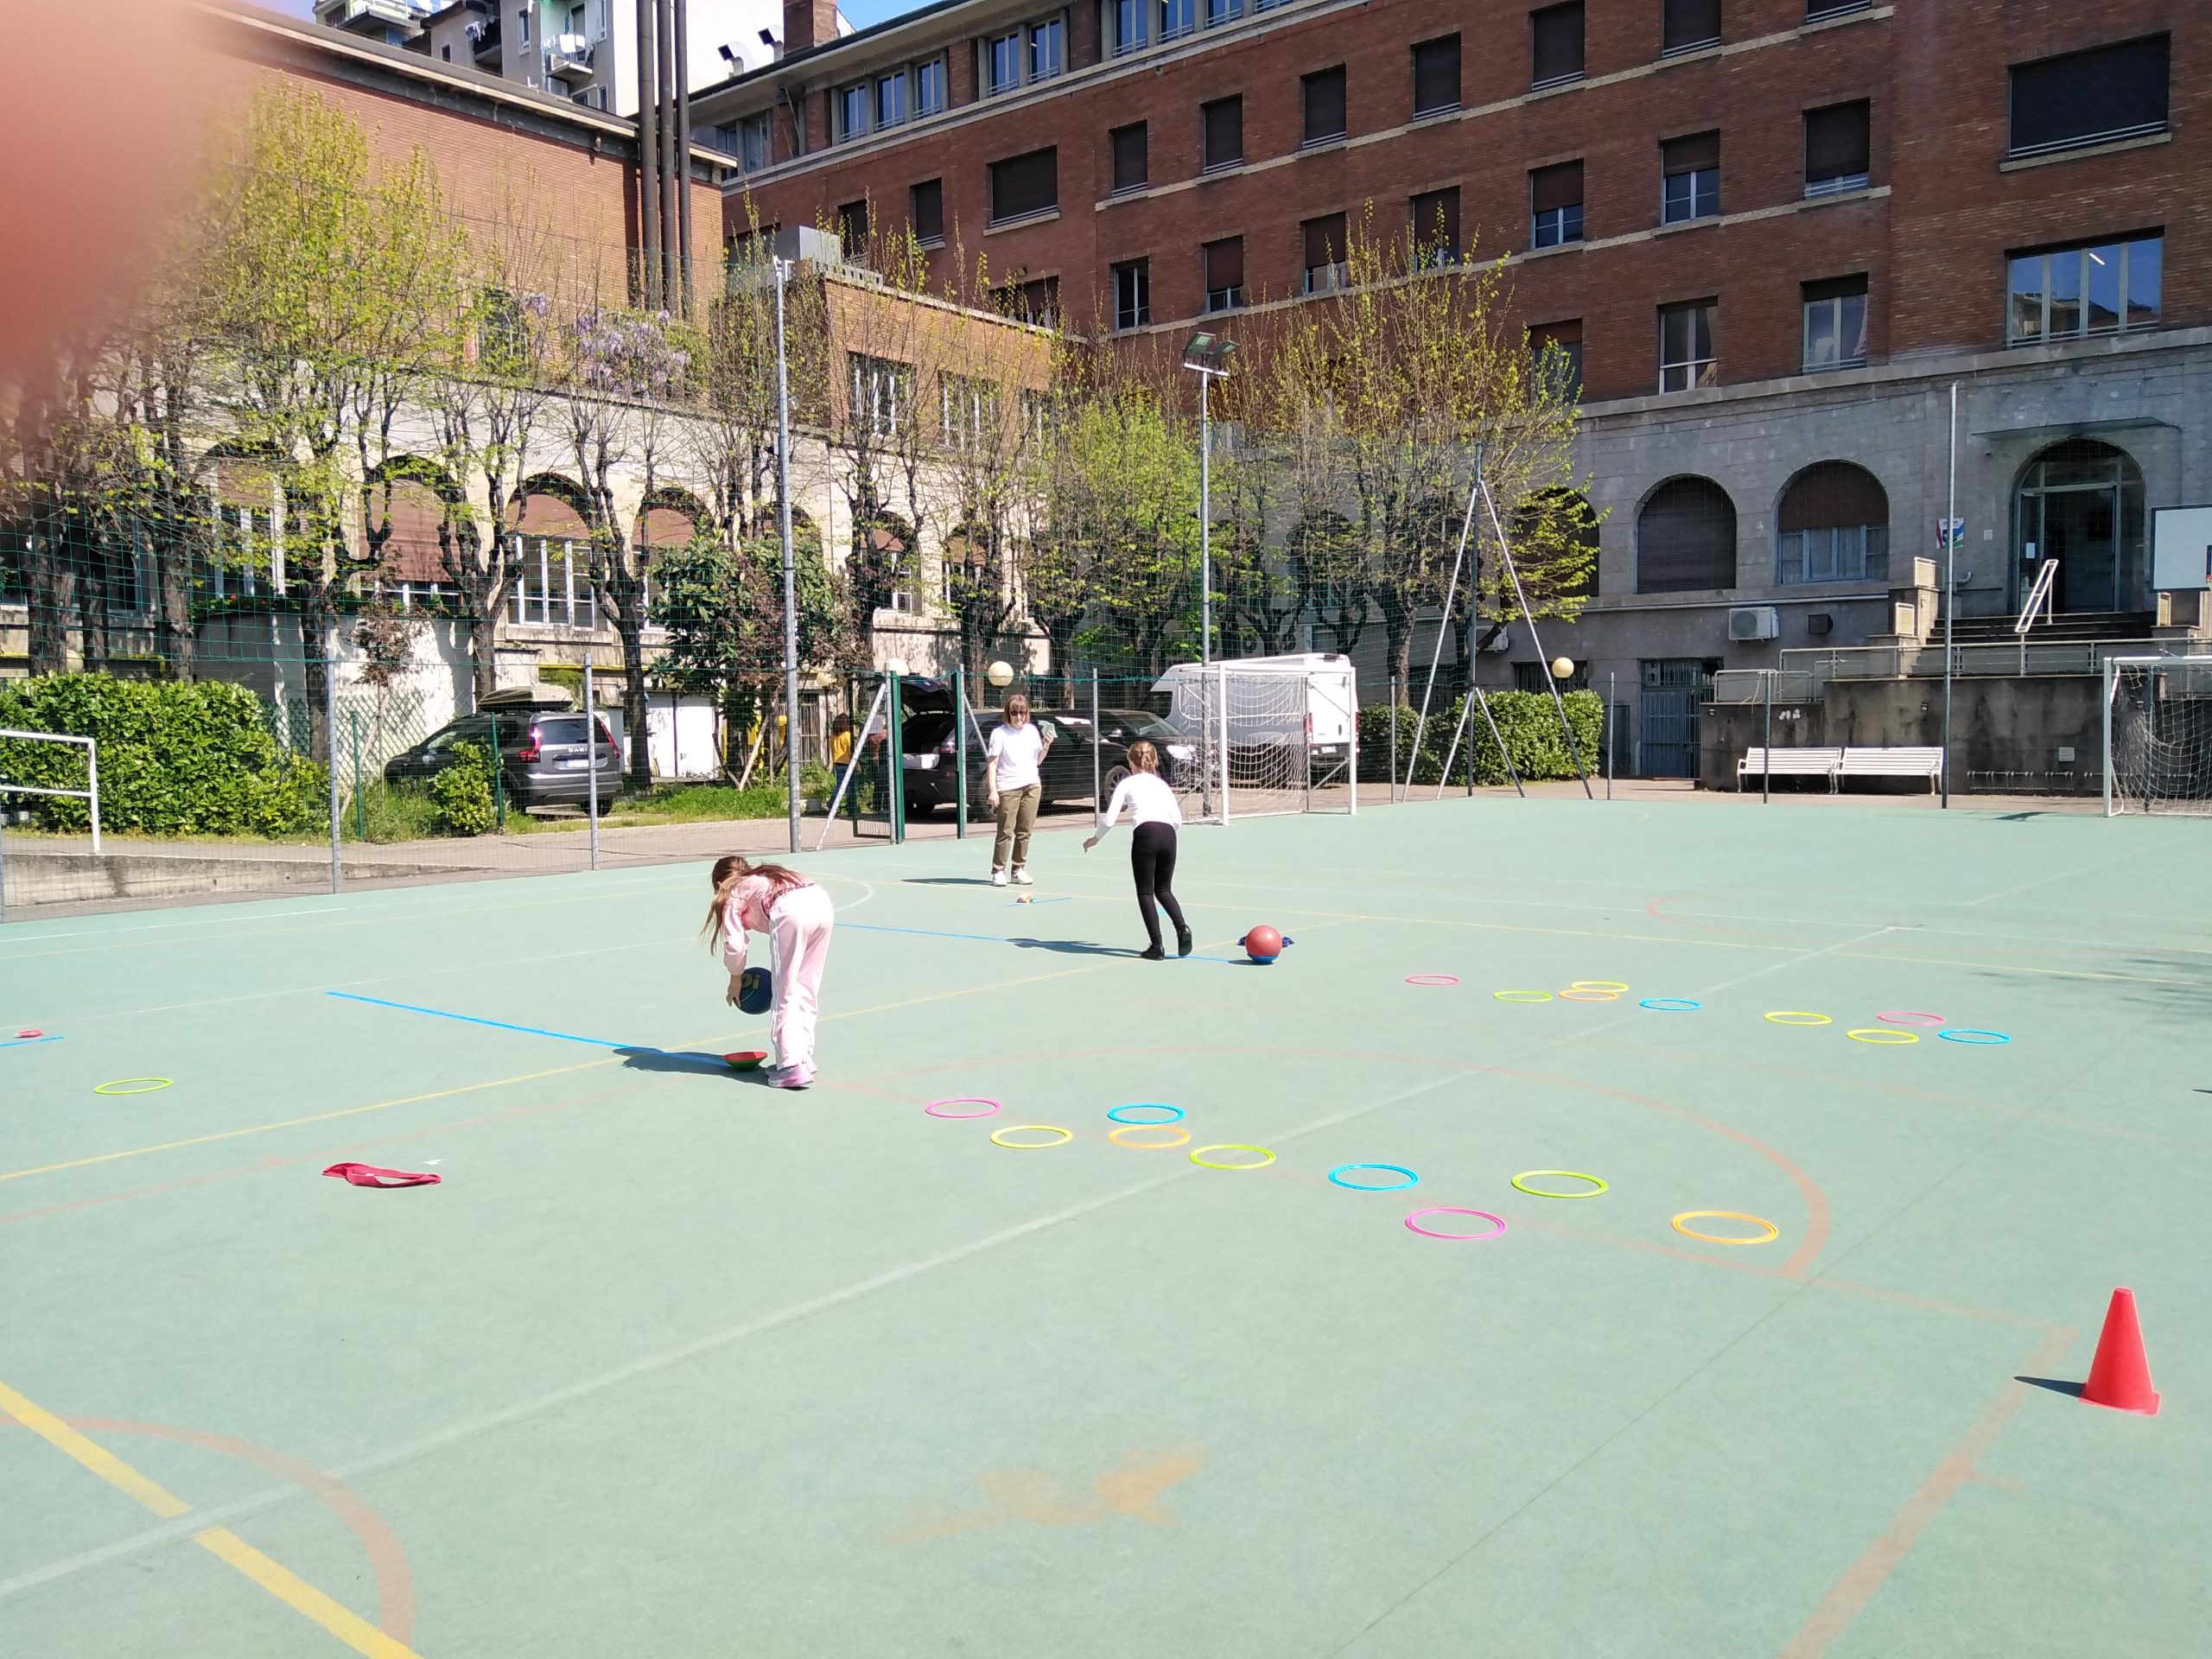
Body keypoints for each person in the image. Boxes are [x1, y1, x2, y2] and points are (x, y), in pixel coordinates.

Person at [703, 853, 836, 1089]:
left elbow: (735, 944)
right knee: (806, 987)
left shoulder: (733, 891)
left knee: (784, 992)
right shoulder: (766, 876)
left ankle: (789, 1066)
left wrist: (735, 978)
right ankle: (803, 1058)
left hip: (791, 912)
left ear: (719, 883)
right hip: (822, 903)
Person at [1083, 740, 1191, 960]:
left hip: (1146, 834)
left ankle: (1157, 945)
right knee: (1164, 889)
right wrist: (1165, 836)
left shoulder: (1127, 783)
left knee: (1145, 891)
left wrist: (1095, 839)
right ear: (1154, 761)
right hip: (1169, 835)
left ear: (1131, 762)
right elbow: (1177, 820)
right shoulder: (1162, 785)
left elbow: (1109, 819)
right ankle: (1182, 927)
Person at [985, 692, 1052, 887]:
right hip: (1008, 787)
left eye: (1022, 712)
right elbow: (992, 764)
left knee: (1025, 831)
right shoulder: (999, 733)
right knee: (1005, 831)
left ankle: (1018, 869)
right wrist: (993, 790)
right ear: (1008, 713)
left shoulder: (1032, 731)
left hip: (1032, 786)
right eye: (1015, 713)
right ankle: (998, 870)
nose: (1019, 717)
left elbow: (1037, 760)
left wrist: (1046, 745)